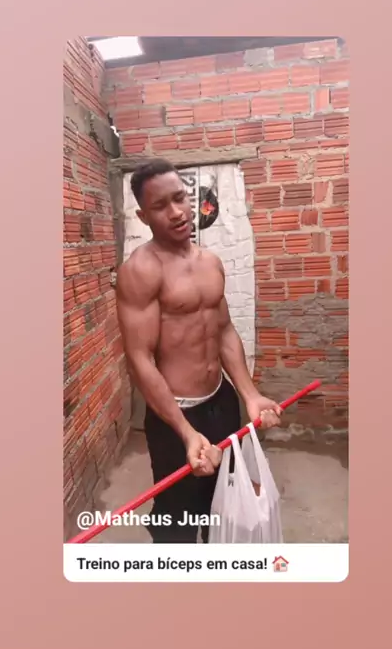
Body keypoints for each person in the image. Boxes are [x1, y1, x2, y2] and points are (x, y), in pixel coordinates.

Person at [116, 158, 282, 543]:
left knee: (223, 500)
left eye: (179, 198)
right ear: (143, 216)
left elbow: (223, 330)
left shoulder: (210, 262)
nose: (176, 212)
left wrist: (249, 394)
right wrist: (186, 432)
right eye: (160, 206)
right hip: (176, 413)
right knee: (178, 515)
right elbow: (139, 360)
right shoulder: (141, 271)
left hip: (220, 402)